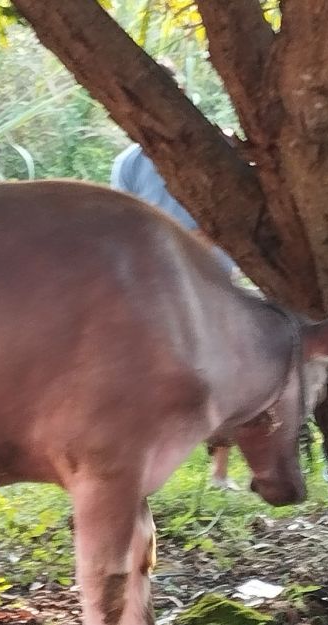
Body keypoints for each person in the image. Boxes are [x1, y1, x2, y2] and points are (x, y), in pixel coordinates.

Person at [111, 142, 242, 490]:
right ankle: (145, 464)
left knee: (222, 373)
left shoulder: (212, 153)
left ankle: (219, 472)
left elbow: (233, 218)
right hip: (158, 289)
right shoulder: (130, 163)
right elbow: (123, 227)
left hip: (214, 283)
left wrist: (199, 241)